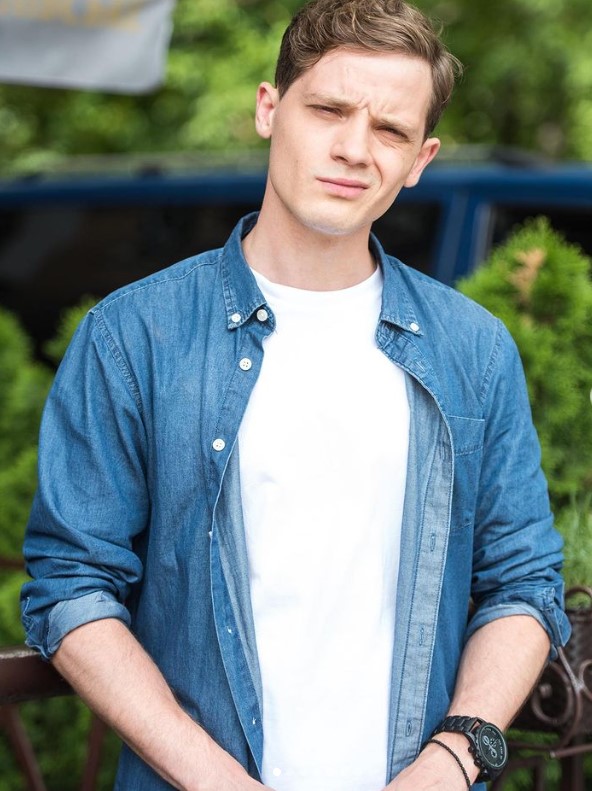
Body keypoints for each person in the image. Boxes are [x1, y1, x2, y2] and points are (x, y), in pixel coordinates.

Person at [21, 1, 570, 789]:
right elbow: (73, 587)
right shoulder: (134, 336)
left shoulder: (473, 349)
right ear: (269, 109)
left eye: (390, 130)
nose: (354, 149)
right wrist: (217, 780)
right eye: (329, 110)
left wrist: (452, 759)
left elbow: (521, 582)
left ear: (421, 159)